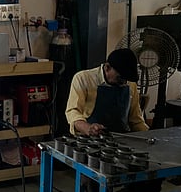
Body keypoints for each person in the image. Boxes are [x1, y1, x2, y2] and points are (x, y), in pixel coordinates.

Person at [65, 48, 162, 192]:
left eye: (125, 80)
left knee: (151, 178)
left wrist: (149, 137)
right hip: (93, 145)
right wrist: (88, 127)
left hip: (122, 143)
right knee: (93, 183)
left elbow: (135, 120)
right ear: (107, 67)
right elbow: (72, 112)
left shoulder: (130, 85)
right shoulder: (83, 79)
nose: (123, 83)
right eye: (119, 78)